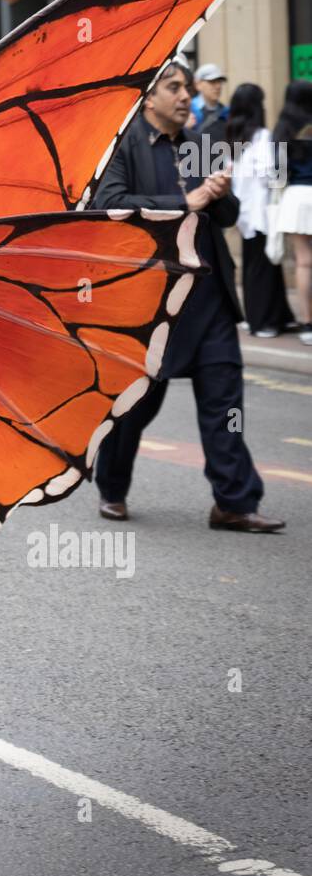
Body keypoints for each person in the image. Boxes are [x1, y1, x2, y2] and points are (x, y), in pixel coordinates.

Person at [93, 60, 284, 533]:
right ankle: (112, 487)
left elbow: (227, 215)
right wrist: (185, 203)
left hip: (210, 296)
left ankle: (234, 500)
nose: (185, 96)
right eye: (174, 87)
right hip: (154, 304)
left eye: (187, 88)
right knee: (136, 406)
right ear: (149, 98)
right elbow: (109, 205)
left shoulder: (200, 145)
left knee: (227, 404)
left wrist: (219, 191)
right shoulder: (123, 145)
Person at [226, 83, 294, 338]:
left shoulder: (232, 136)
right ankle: (262, 321)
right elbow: (268, 174)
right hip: (261, 210)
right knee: (263, 267)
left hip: (244, 212)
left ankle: (279, 316)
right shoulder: (262, 136)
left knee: (257, 264)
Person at [273, 79, 312, 346]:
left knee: (303, 262)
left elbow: (278, 174)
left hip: (296, 197)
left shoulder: (283, 128)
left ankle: (307, 323)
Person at [189, 64, 228, 137]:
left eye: (219, 81)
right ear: (198, 84)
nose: (218, 86)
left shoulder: (226, 112)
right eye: (212, 81)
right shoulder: (188, 110)